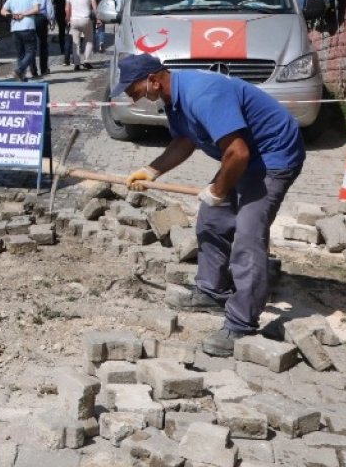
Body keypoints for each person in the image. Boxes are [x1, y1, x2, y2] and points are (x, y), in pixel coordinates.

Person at [116, 53, 304, 357]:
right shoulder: (174, 98)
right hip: (242, 156)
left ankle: (242, 321)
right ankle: (212, 291)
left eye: (134, 91)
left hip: (272, 156)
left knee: (248, 234)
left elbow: (238, 154)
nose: (134, 99)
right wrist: (151, 170)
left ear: (153, 79)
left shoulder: (202, 94)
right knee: (211, 221)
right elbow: (185, 141)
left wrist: (218, 189)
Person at [0, 0, 40, 82]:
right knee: (31, 51)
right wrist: (23, 14)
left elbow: (3, 11)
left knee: (20, 53)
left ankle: (21, 77)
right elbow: (36, 9)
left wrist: (12, 15)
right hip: (28, 26)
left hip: (15, 28)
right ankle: (20, 69)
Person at [65, 0, 97, 70]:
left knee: (76, 42)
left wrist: (67, 18)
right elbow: (95, 7)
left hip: (74, 20)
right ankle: (86, 61)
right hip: (86, 19)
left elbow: (67, 8)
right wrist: (98, 18)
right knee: (89, 40)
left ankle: (76, 63)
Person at [28, 0, 55, 78]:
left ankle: (33, 70)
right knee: (43, 44)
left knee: (31, 45)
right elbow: (49, 5)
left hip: (29, 17)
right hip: (41, 18)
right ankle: (43, 69)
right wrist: (51, 19)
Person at [53, 0, 69, 67]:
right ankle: (68, 49)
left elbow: (55, 4)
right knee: (70, 33)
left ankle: (62, 48)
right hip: (67, 15)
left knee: (61, 32)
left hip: (59, 15)